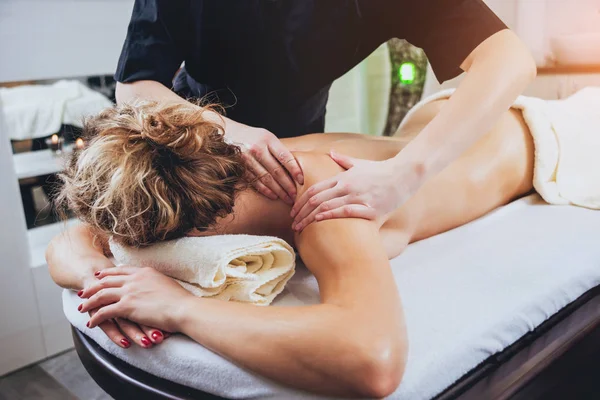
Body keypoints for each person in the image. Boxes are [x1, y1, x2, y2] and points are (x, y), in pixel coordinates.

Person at [46, 95, 534, 397]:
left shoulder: (318, 190)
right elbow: (71, 242)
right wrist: (100, 279)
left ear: (180, 237)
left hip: (529, 139)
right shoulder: (196, 175)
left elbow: (374, 359)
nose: (118, 248)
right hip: (430, 119)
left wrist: (177, 309)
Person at [114, 0, 536, 226]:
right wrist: (229, 132)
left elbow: (509, 58)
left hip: (302, 136)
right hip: (189, 126)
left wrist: (405, 174)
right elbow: (134, 85)